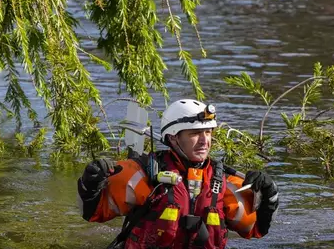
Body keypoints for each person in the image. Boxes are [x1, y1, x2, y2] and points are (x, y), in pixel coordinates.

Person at [77, 99, 279, 249]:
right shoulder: (141, 174)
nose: (204, 141)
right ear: (173, 138)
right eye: (194, 134)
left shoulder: (225, 182)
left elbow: (255, 230)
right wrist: (91, 184)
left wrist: (269, 197)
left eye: (208, 132)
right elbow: (92, 213)